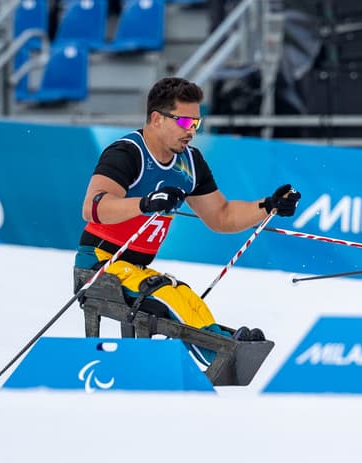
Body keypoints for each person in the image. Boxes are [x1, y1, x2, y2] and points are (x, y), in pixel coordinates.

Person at [74, 77, 301, 364]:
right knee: (170, 294)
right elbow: (93, 207)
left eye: (197, 124)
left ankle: (222, 342)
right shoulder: (127, 153)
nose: (192, 131)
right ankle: (217, 352)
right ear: (157, 119)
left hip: (135, 268)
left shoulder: (190, 162)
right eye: (184, 123)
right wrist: (145, 203)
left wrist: (268, 206)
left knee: (185, 295)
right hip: (99, 260)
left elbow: (222, 216)